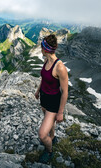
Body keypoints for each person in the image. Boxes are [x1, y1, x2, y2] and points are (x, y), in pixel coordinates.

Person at [34, 34, 69, 164]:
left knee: (42, 135)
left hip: (54, 102)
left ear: (45, 49)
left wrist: (60, 112)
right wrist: (38, 90)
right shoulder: (46, 61)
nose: (40, 49)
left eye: (41, 47)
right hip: (44, 97)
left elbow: (65, 92)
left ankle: (49, 151)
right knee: (48, 125)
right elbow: (44, 78)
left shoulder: (59, 67)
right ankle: (53, 137)